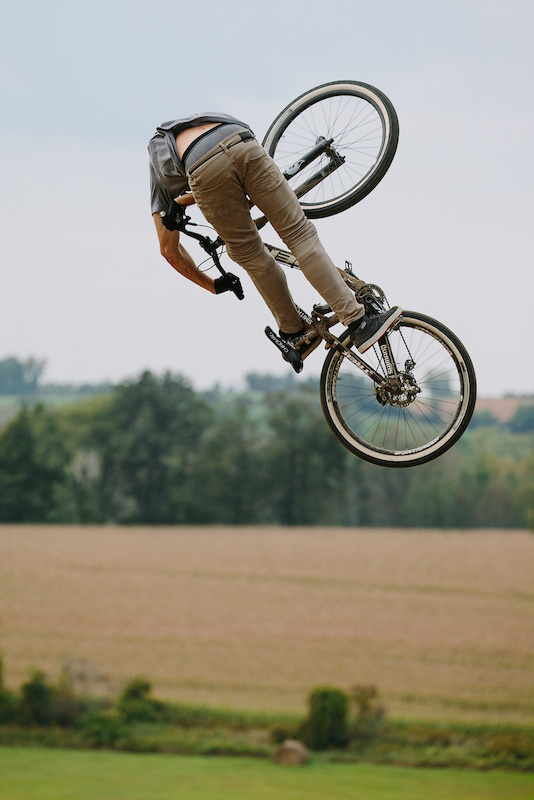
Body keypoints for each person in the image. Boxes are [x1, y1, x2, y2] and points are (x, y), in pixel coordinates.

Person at [148, 113, 401, 372]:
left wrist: (213, 285)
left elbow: (169, 250)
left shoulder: (157, 162)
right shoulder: (187, 124)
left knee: (249, 254)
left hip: (203, 166)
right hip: (240, 138)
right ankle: (360, 323)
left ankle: (294, 332)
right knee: (300, 235)